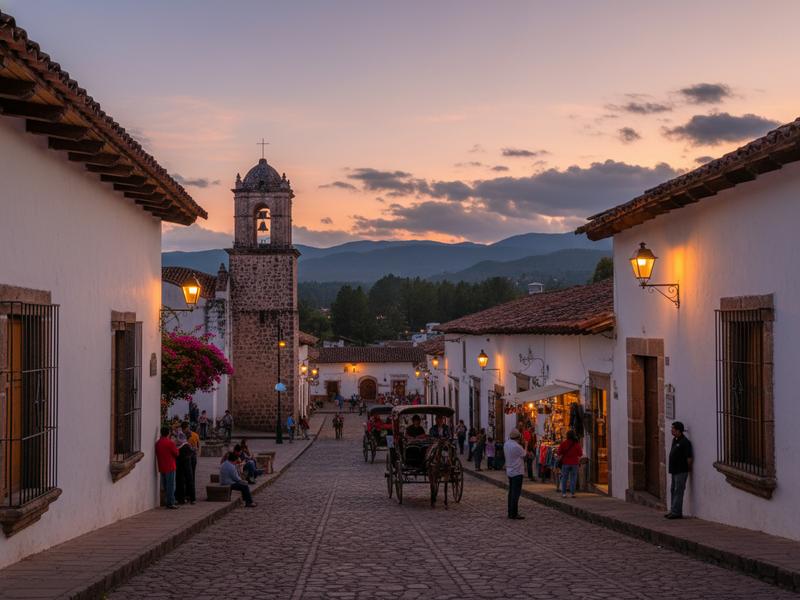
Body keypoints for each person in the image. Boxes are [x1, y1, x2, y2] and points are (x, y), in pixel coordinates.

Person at [666, 421, 693, 520]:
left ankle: (677, 512)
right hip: (674, 470)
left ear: (678, 430)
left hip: (681, 470)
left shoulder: (685, 442)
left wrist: (688, 468)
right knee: (673, 490)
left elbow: (689, 458)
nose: (671, 430)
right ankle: (673, 510)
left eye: (673, 428)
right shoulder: (675, 440)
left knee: (678, 490)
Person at [504, 429, 527, 520]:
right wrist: (526, 445)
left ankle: (510, 511)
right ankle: (514, 513)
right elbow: (524, 454)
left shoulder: (506, 444)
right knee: (515, 494)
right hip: (517, 471)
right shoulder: (517, 446)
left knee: (511, 492)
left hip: (509, 470)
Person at [155, 426, 179, 509]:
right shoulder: (170, 443)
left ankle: (167, 500)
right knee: (171, 485)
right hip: (170, 466)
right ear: (168, 433)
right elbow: (176, 453)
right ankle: (171, 502)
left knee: (165, 485)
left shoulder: (158, 443)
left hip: (162, 466)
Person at [557, 430, 583, 498]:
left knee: (564, 478)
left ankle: (564, 493)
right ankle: (572, 493)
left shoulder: (564, 443)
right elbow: (580, 454)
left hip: (565, 463)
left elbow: (559, 452)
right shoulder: (577, 444)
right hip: (574, 463)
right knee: (573, 478)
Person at [175, 423, 195, 505]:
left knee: (180, 478)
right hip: (184, 455)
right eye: (188, 428)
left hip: (180, 456)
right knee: (189, 478)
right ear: (185, 428)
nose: (189, 429)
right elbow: (184, 443)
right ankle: (191, 498)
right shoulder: (181, 434)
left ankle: (181, 498)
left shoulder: (178, 433)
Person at [183, 421, 201, 501]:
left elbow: (197, 446)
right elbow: (198, 447)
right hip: (192, 456)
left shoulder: (188, 435)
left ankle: (189, 494)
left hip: (189, 456)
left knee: (189, 476)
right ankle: (190, 494)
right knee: (190, 476)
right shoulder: (195, 435)